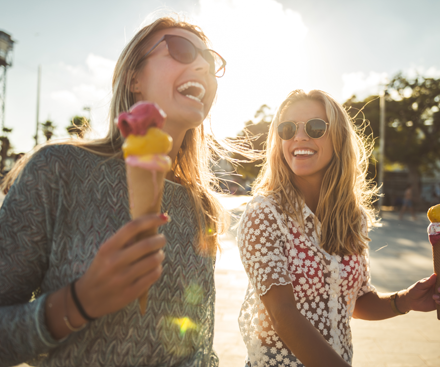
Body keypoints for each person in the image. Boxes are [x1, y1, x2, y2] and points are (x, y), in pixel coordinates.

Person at [0, 16, 229, 366]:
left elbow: (199, 345)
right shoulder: (59, 169)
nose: (202, 64)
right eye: (182, 50)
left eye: (211, 61)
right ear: (134, 78)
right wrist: (78, 303)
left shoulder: (202, 206)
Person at [237, 89, 438, 367]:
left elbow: (356, 301)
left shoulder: (352, 216)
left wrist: (405, 300)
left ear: (339, 139)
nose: (299, 136)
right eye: (287, 129)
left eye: (315, 127)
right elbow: (283, 314)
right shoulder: (264, 214)